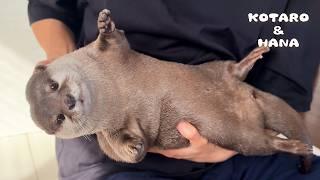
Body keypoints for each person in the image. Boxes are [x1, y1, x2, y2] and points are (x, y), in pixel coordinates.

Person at [28, 0, 320, 179]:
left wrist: (233, 141)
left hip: (236, 138)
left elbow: (289, 56)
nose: (66, 102)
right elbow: (50, 4)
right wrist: (64, 62)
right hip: (107, 161)